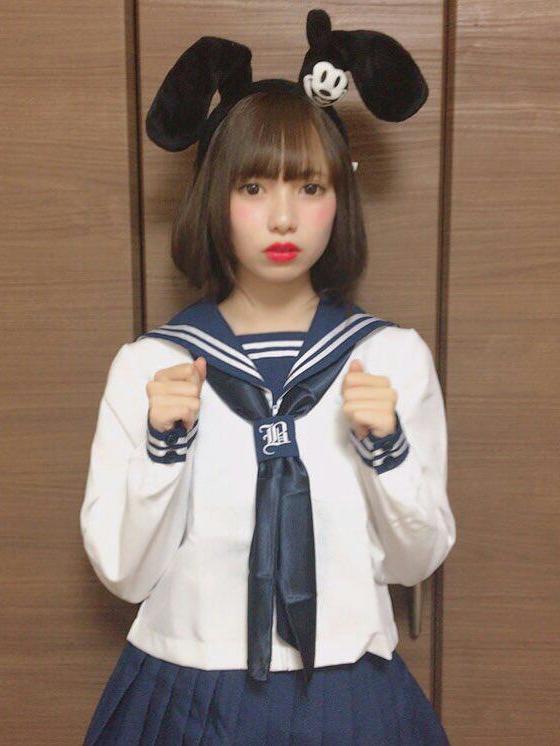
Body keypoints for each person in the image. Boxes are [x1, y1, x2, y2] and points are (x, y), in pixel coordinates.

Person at [80, 13, 455, 745]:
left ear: (340, 198)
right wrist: (163, 450)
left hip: (350, 693)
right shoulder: (151, 367)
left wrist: (387, 452)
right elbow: (124, 574)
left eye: (309, 187)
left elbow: (416, 561)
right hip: (185, 694)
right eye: (253, 187)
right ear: (212, 196)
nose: (283, 217)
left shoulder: (391, 359)